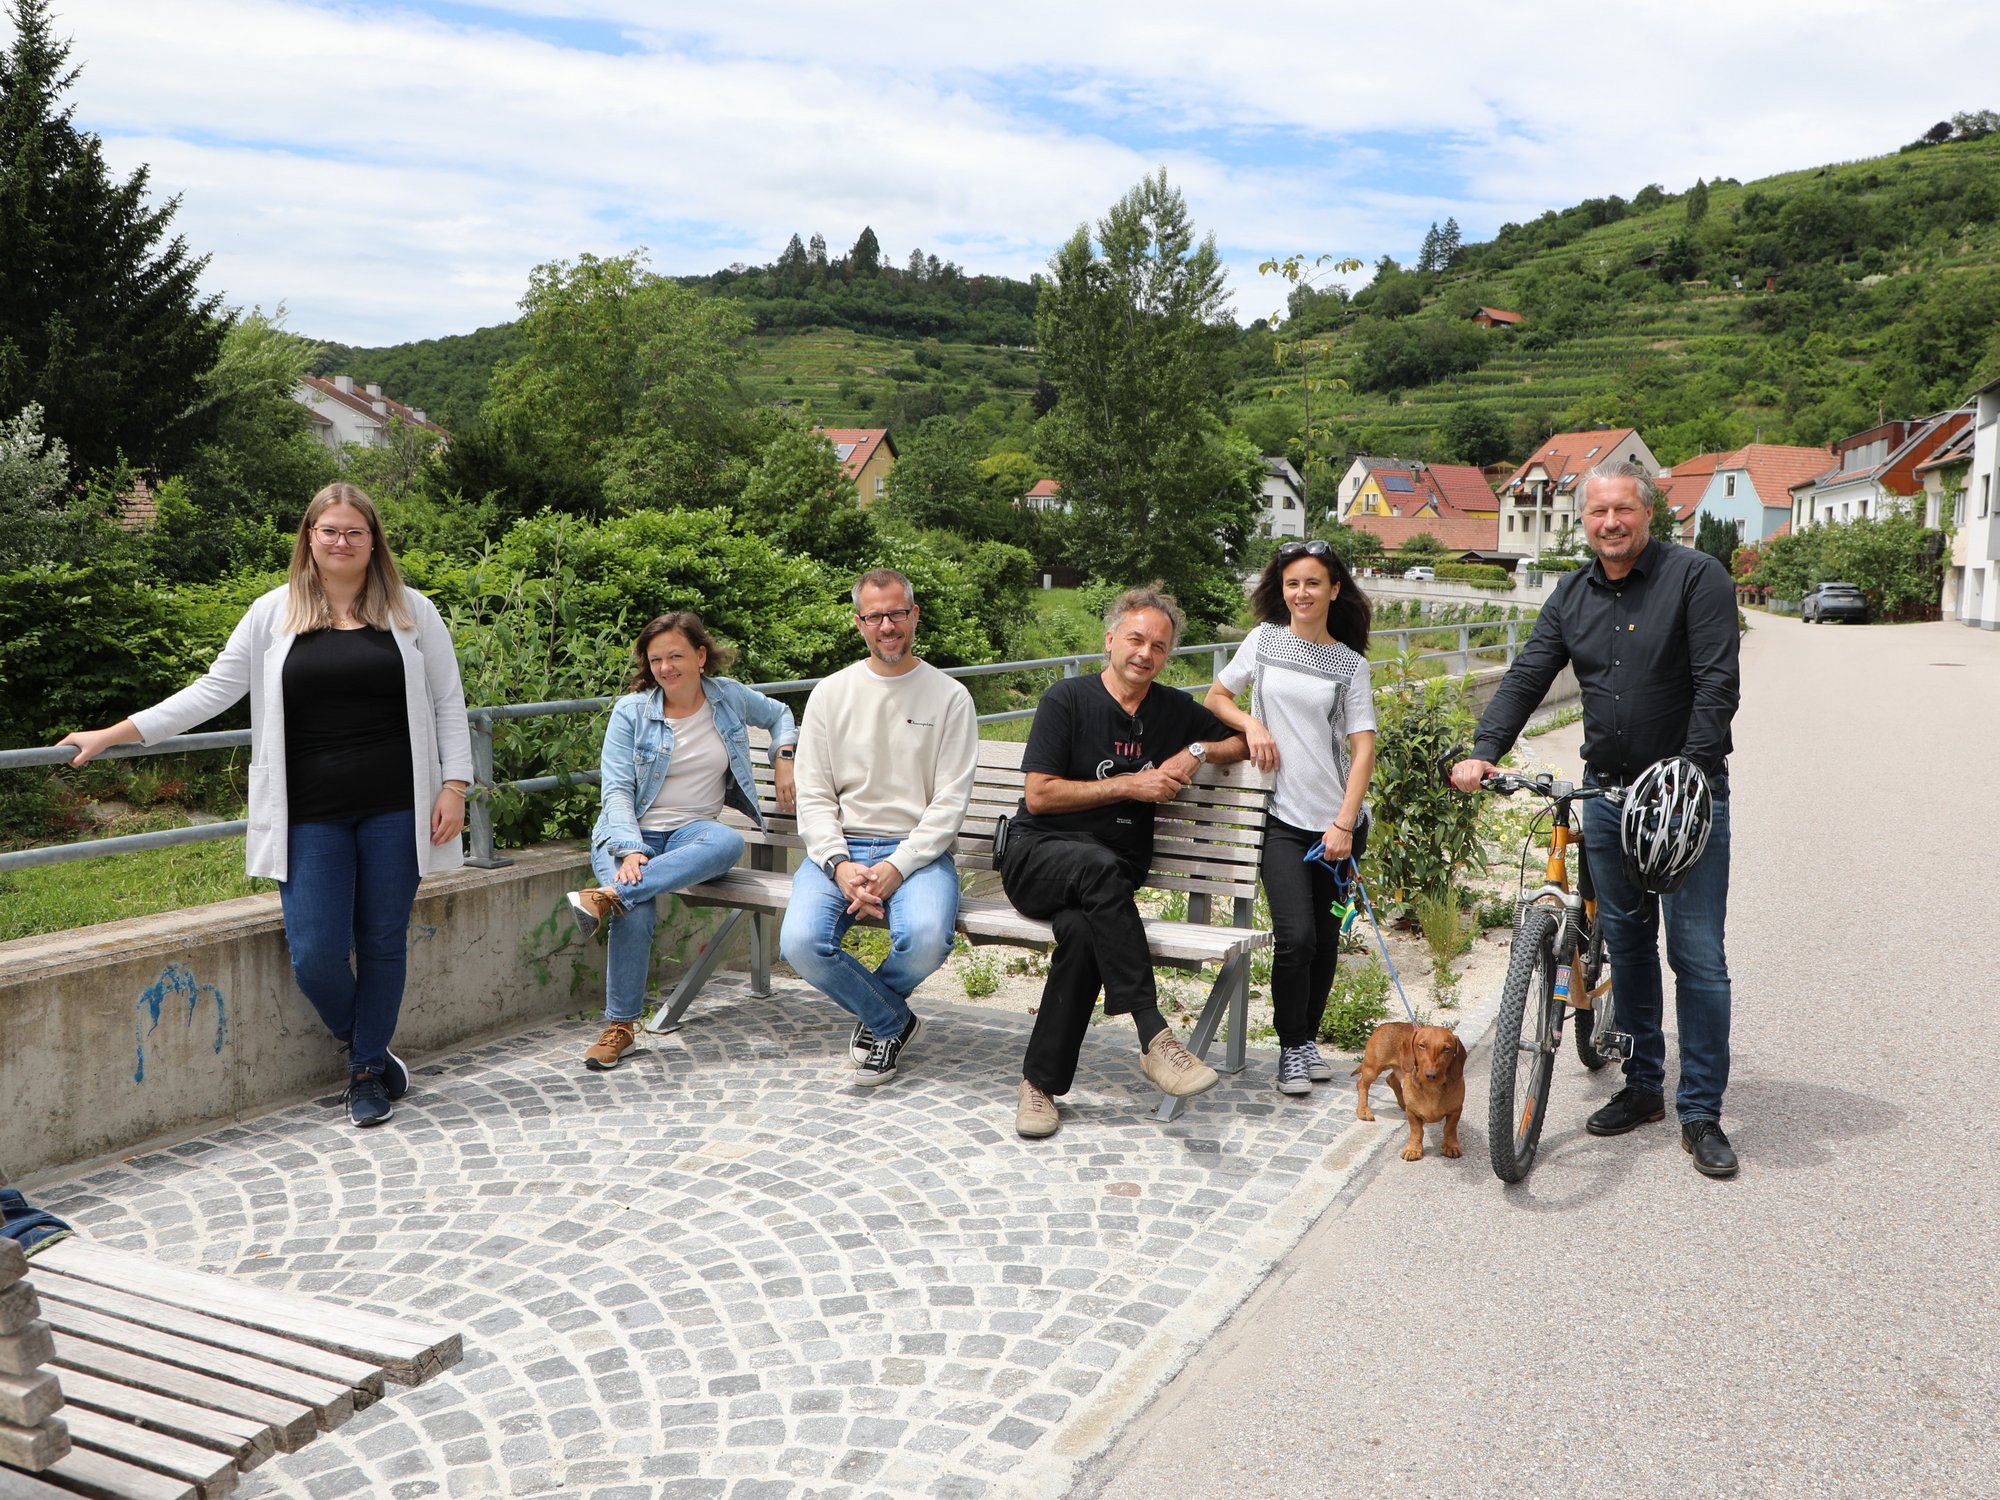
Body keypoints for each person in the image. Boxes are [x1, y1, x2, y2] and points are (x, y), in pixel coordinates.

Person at [58, 483, 473, 1129]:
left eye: (354, 531)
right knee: (315, 951)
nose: (341, 542)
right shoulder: (272, 613)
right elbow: (210, 691)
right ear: (309, 537)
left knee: (382, 941)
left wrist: (455, 786)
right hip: (307, 811)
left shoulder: (412, 610)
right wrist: (117, 733)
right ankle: (368, 1047)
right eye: (329, 530)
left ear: (373, 541)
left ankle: (366, 1072)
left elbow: (449, 702)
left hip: (398, 805)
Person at [1450, 461, 1743, 1178]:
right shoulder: (1572, 594)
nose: (1611, 523)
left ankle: (1700, 1110)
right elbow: (1528, 674)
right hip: (1608, 797)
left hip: (1684, 798)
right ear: (1583, 522)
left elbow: (1717, 683)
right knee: (1631, 946)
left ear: (1648, 513)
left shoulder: (1696, 577)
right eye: (1597, 513)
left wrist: (1688, 774)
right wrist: (1485, 750)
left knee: (1697, 958)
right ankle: (1643, 1086)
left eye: (1623, 510)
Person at [1001, 585, 1248, 1139]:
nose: (1145, 653)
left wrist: (1197, 749)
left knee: (1083, 933)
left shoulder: (1172, 710)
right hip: (1037, 859)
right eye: (1136, 639)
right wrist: (1131, 786)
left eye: (1159, 647)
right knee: (1098, 867)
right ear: (1110, 639)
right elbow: (1039, 795)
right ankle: (1154, 1035)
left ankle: (1038, 1085)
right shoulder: (1067, 699)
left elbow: (1239, 740)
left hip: (1108, 881)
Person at [568, 612, 798, 1072]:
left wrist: (784, 757)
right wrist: (631, 849)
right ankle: (621, 1028)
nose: (666, 668)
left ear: (700, 655)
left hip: (692, 835)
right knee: (637, 908)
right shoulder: (631, 711)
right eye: (656, 660)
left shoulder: (728, 697)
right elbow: (616, 790)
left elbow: (780, 715)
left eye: (675, 656)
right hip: (628, 832)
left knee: (727, 843)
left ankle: (609, 896)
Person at [779, 569, 978, 1086]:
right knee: (800, 942)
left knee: (927, 939)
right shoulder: (830, 693)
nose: (887, 626)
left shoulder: (950, 697)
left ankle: (877, 1013)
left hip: (918, 852)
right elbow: (814, 793)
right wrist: (837, 863)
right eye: (874, 617)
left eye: (897, 614)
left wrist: (896, 866)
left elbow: (950, 802)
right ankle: (891, 1020)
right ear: (859, 623)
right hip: (841, 847)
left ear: (915, 615)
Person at [1205, 539, 1377, 1098]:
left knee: (1325, 941)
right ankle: (1290, 1046)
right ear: (1282, 591)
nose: (1302, 593)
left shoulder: (1351, 666)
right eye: (1292, 583)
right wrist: (1252, 725)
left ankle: (1306, 1042)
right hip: (1279, 818)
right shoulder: (1263, 641)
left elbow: (1363, 749)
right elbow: (1216, 697)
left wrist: (1344, 824)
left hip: (1338, 825)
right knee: (1296, 937)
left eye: (1312, 583)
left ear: (1334, 590)